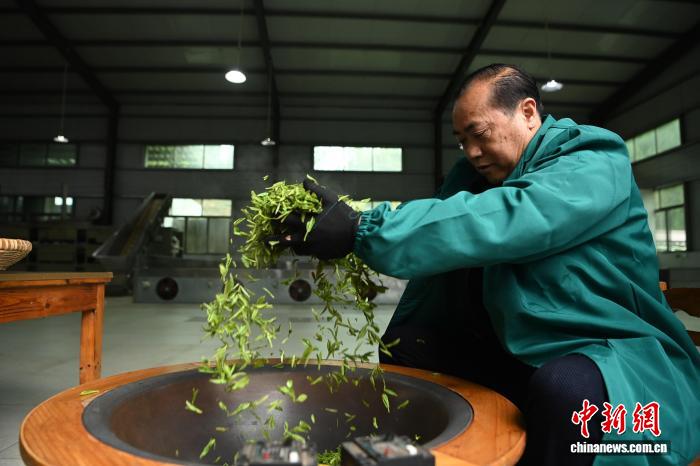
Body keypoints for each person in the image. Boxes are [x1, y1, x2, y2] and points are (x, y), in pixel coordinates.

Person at [271, 64, 700, 466]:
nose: (472, 152)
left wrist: (361, 228)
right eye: (462, 141)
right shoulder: (478, 179)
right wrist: (337, 227)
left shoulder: (591, 158)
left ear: (527, 113)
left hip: (609, 350)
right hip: (520, 347)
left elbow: (511, 217)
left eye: (479, 133)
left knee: (566, 392)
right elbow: (444, 229)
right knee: (408, 349)